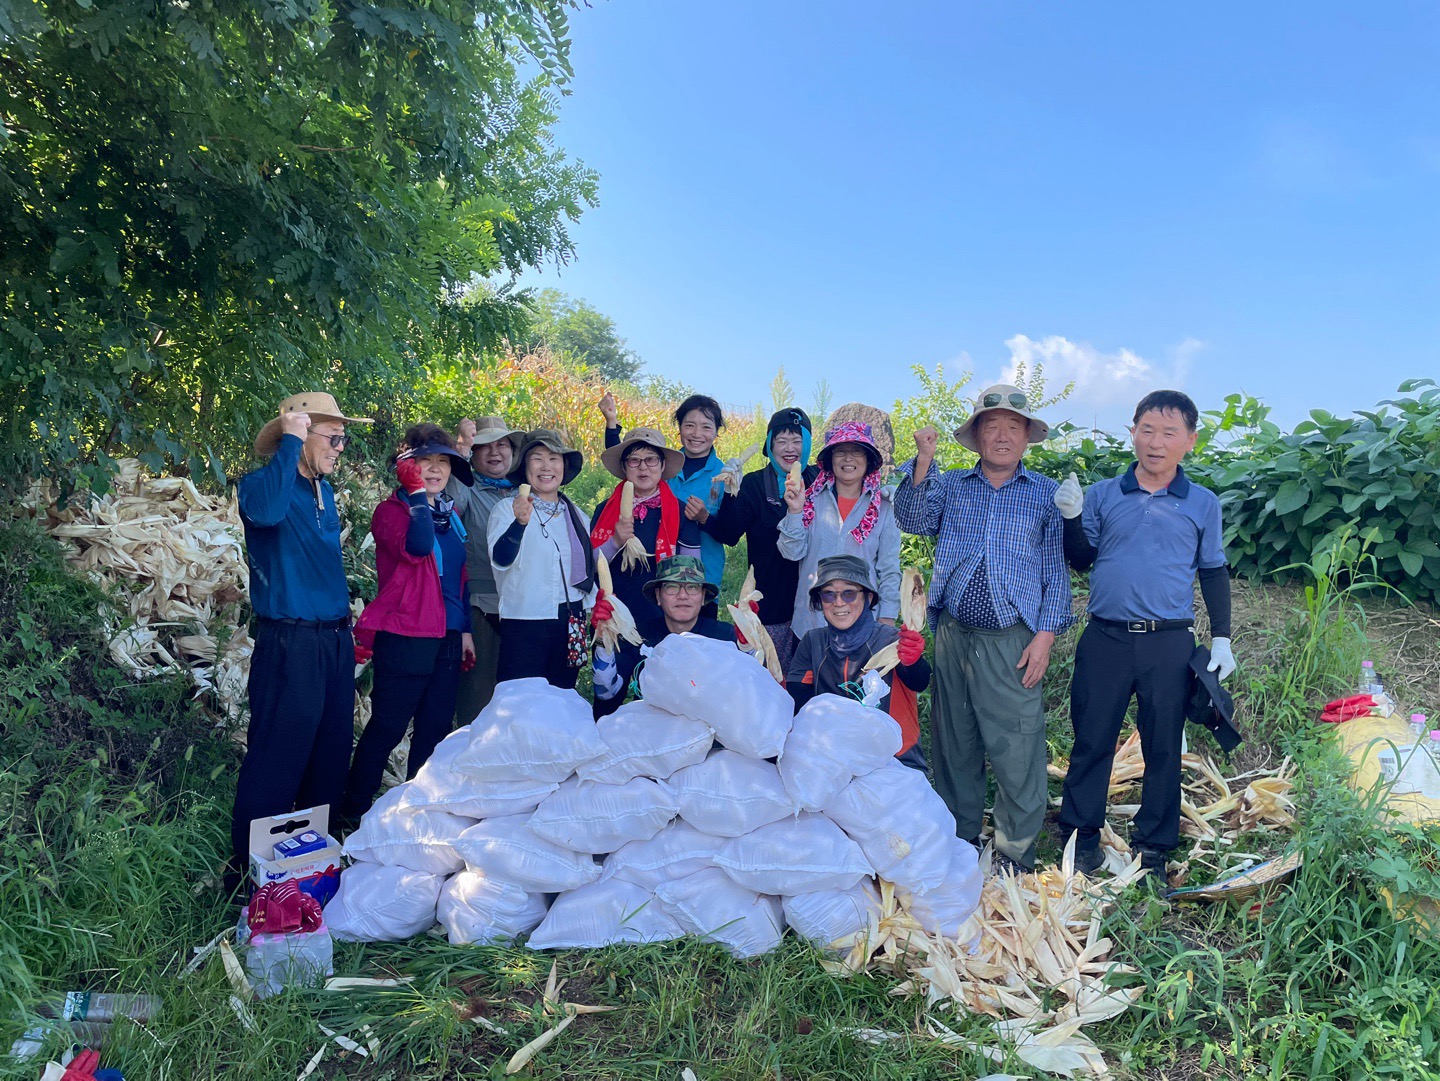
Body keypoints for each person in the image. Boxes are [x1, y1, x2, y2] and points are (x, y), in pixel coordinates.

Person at [893, 383, 1073, 875]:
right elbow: (911, 517)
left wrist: (1046, 635)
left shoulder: (1044, 496)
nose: (1001, 435)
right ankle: (960, 837)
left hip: (1011, 638)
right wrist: (923, 461)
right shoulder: (951, 484)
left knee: (1016, 742)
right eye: (990, 425)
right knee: (955, 739)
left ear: (1026, 438)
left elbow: (1055, 570)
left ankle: (1015, 850)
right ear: (976, 435)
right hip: (953, 635)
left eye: (1013, 427)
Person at [1054, 390, 1234, 882]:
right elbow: (1081, 559)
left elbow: (1214, 570)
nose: (1156, 442)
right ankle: (1081, 836)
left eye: (1169, 433)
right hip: (1106, 637)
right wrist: (1071, 518)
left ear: (1189, 442)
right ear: (1132, 432)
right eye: (1147, 430)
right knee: (1092, 738)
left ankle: (1154, 846)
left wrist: (1223, 639)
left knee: (1162, 746)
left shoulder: (1202, 503)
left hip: (1168, 641)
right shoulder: (1104, 494)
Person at [232, 391, 371, 884]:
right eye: (333, 437)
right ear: (301, 434)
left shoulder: (324, 493)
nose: (340, 447)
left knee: (330, 756)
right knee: (277, 757)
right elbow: (267, 515)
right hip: (290, 644)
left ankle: (313, 874)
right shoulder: (260, 487)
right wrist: (289, 440)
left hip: (332, 643)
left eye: (343, 438)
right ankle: (247, 879)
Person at [341, 425, 476, 820]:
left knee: (434, 729)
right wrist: (416, 493)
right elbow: (417, 547)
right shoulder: (391, 512)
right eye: (423, 462)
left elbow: (459, 578)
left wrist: (465, 627)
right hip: (406, 635)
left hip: (448, 636)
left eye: (442, 462)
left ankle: (416, 814)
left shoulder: (449, 518)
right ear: (405, 468)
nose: (434, 470)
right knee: (388, 726)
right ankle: (352, 814)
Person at [588, 428, 704, 716]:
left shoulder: (679, 511)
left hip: (663, 621)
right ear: (624, 467)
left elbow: (693, 573)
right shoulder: (605, 510)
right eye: (635, 460)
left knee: (666, 702)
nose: (643, 467)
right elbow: (589, 568)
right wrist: (615, 541)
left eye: (651, 460)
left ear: (663, 466)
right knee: (607, 698)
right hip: (614, 619)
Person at [701, 407, 820, 671]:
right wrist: (731, 492)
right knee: (771, 684)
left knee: (808, 689)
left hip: (816, 609)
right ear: (770, 445)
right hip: (769, 609)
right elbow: (729, 534)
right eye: (781, 441)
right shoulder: (755, 484)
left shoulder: (821, 482)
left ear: (808, 444)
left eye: (797, 440)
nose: (789, 448)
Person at [785, 555, 930, 771]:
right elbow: (797, 702)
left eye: (849, 593)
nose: (839, 602)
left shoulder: (891, 641)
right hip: (833, 760)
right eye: (828, 594)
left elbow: (919, 681)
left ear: (868, 598)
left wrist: (913, 660)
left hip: (894, 761)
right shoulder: (812, 642)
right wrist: (751, 647)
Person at [487, 429, 597, 689]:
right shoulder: (507, 509)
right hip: (526, 621)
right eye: (537, 458)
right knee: (519, 700)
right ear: (524, 467)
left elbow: (591, 569)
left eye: (554, 459)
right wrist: (519, 523)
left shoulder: (578, 516)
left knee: (563, 699)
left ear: (563, 466)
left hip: (571, 620)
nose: (546, 467)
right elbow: (501, 559)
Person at [601, 391, 727, 613]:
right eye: (689, 425)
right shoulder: (657, 463)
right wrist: (612, 425)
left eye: (706, 427)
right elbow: (629, 461)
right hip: (641, 584)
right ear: (679, 430)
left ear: (717, 432)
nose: (697, 433)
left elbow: (731, 533)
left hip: (700, 578)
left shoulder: (726, 476)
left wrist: (703, 518)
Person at [778, 420, 902, 639]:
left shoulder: (882, 508)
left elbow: (889, 569)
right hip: (811, 621)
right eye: (840, 452)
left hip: (862, 625)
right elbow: (791, 553)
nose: (848, 459)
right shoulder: (810, 500)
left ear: (868, 460)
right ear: (830, 460)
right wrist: (795, 511)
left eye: (857, 452)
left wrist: (887, 618)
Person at [446, 415, 525, 723]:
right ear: (474, 454)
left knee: (517, 700)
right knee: (477, 701)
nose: (495, 452)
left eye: (502, 444)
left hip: (521, 610)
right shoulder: (465, 486)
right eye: (485, 446)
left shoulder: (522, 490)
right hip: (479, 607)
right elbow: (450, 508)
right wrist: (462, 448)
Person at [591, 556, 737, 713]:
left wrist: (747, 644)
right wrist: (602, 639)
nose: (682, 595)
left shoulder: (724, 637)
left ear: (703, 597)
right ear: (658, 596)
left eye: (693, 587)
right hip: (651, 728)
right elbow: (606, 692)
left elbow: (753, 686)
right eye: (672, 587)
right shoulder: (639, 637)